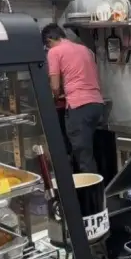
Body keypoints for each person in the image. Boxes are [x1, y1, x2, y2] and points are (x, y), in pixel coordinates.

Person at [41, 24, 103, 174]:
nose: (47, 49)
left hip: (79, 106)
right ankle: (96, 186)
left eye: (47, 46)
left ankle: (91, 189)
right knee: (89, 152)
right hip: (97, 104)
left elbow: (55, 86)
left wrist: (55, 96)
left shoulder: (54, 52)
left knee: (83, 157)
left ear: (49, 40)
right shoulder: (84, 49)